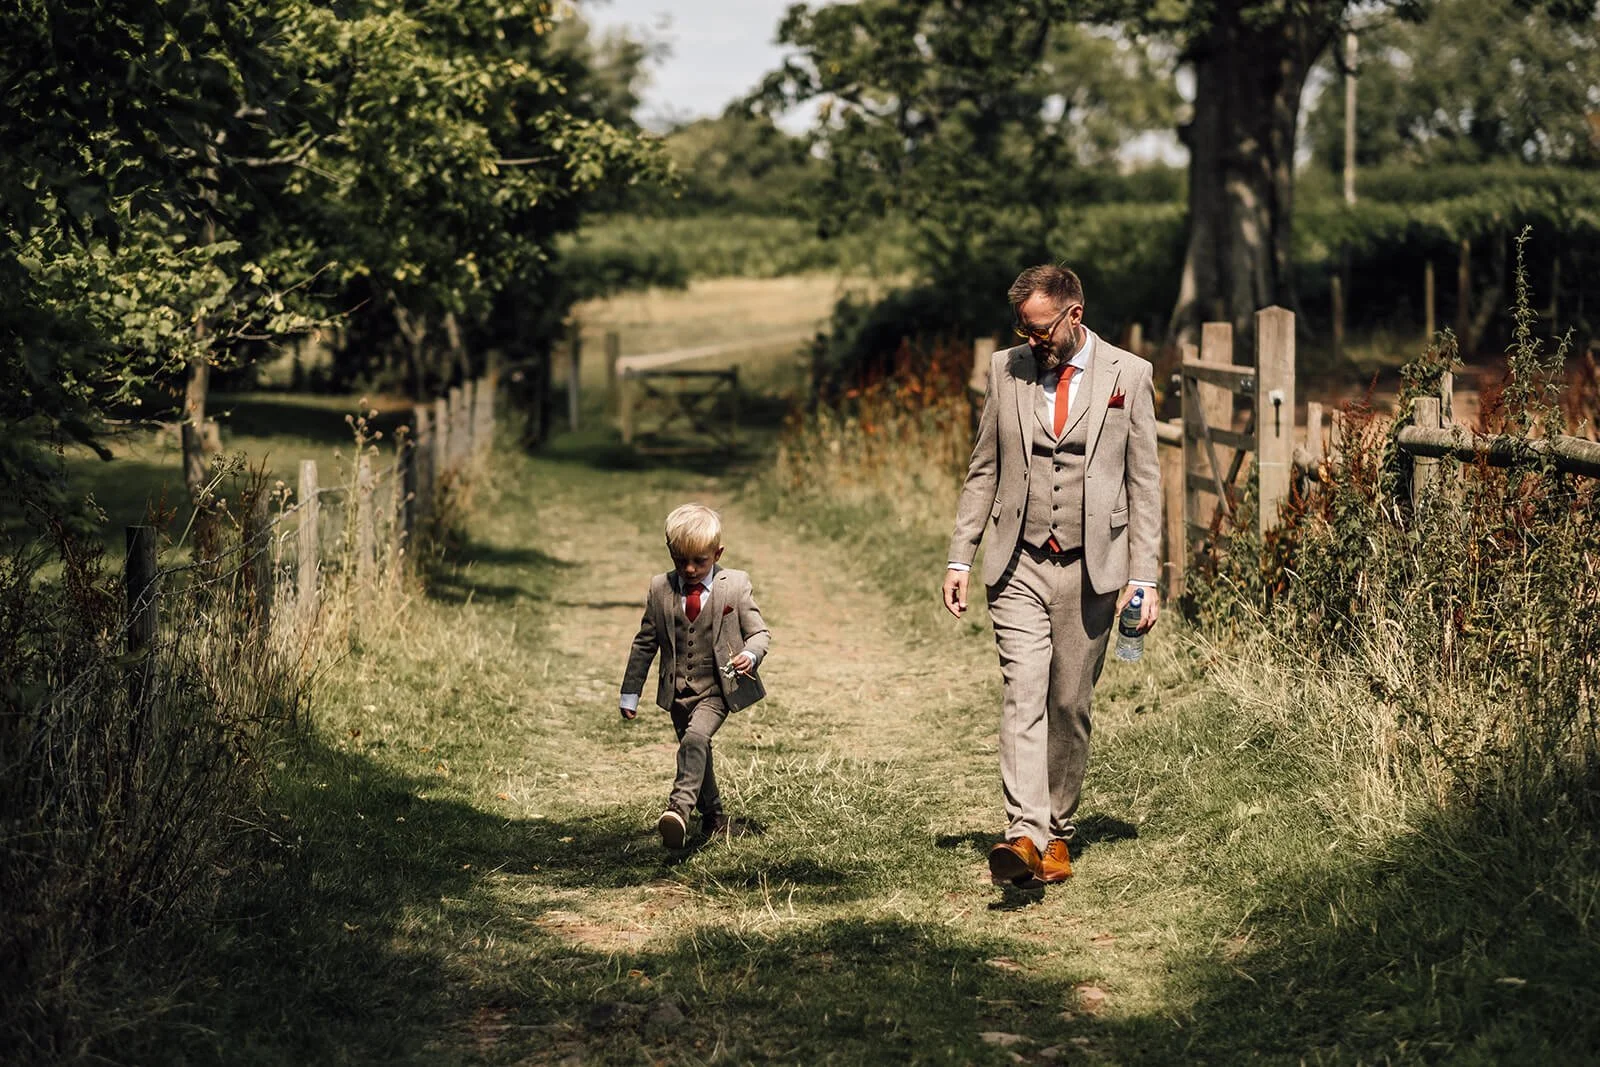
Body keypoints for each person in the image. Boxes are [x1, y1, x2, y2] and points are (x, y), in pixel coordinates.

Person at [942, 264, 1160, 887]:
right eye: (1024, 330)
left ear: (1074, 315)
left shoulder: (1130, 375)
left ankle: (1058, 832)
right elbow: (983, 467)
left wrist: (1144, 577)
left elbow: (1145, 484)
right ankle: (1024, 833)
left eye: (1040, 330)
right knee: (1022, 693)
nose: (1031, 341)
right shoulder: (1003, 369)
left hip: (1094, 568)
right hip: (1019, 562)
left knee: (1069, 703)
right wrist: (961, 554)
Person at [621, 503, 771, 848]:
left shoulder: (734, 586)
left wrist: (750, 654)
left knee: (694, 740)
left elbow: (760, 633)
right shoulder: (660, 589)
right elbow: (645, 644)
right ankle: (715, 818)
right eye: (680, 560)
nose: (689, 569)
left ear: (717, 553)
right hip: (677, 691)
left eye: (700, 561)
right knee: (697, 749)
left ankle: (679, 808)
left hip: (719, 687)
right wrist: (630, 693)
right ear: (670, 552)